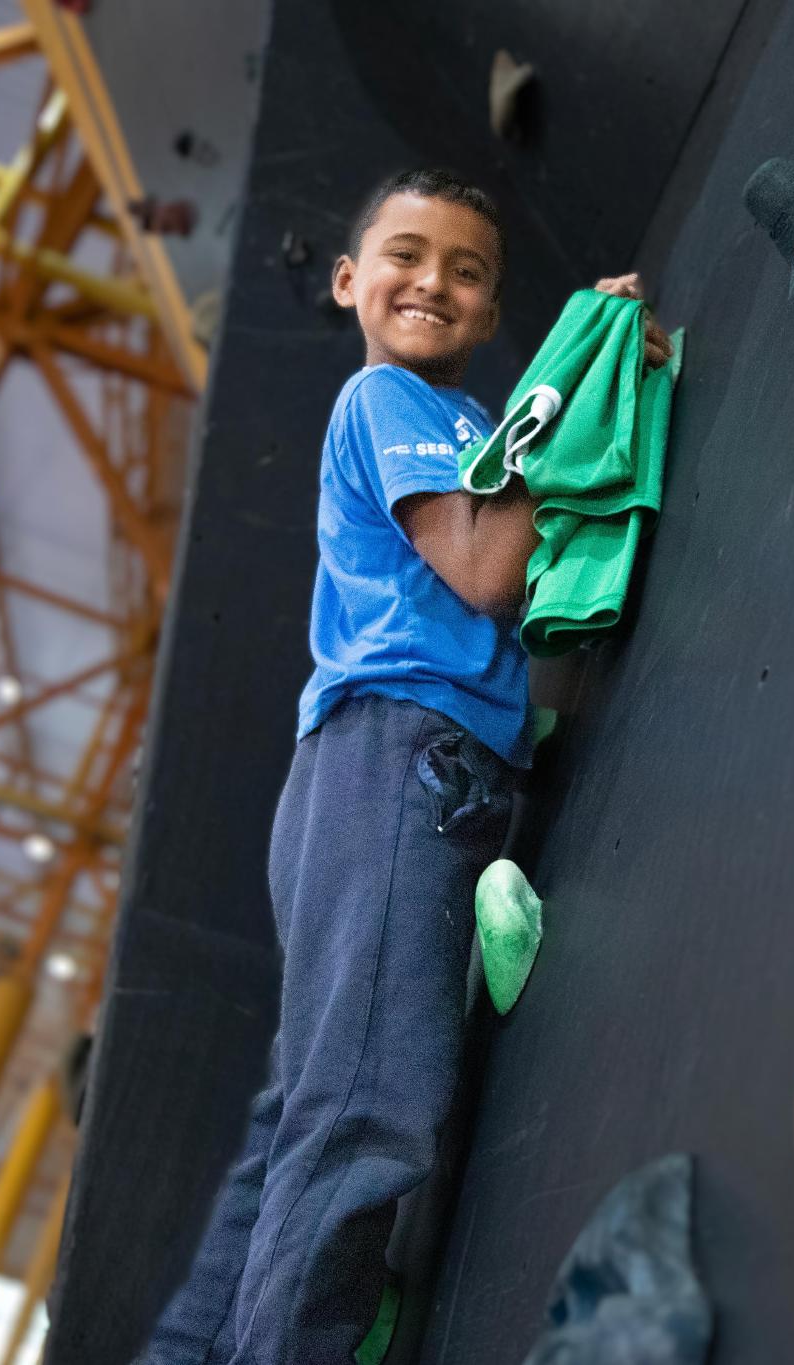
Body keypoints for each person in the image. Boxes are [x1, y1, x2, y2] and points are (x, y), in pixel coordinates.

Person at [140, 169, 672, 1364]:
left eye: (467, 271)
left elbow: (518, 540)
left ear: (487, 316)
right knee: (366, 1108)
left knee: (305, 1109)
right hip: (398, 757)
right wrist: (575, 375)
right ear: (347, 282)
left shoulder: (463, 428)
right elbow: (485, 569)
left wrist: (572, 387)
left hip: (362, 770)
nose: (433, 281)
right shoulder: (386, 399)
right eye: (405, 255)